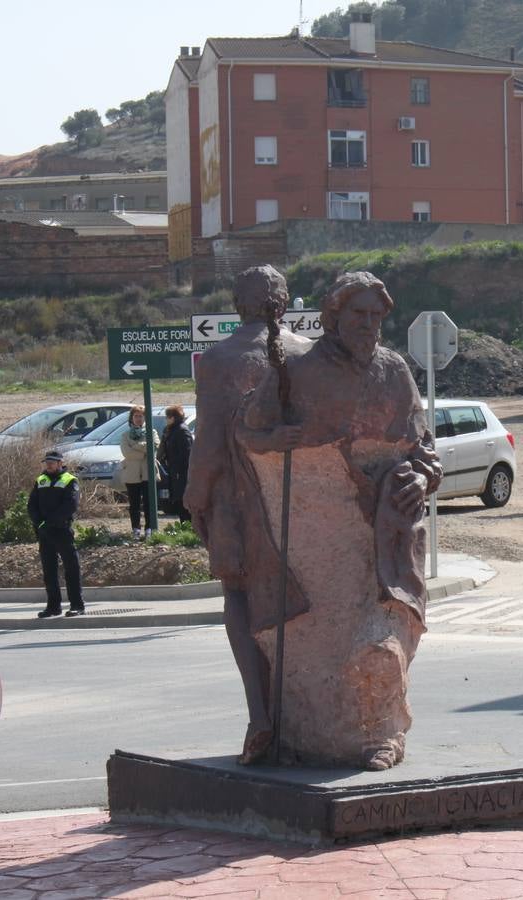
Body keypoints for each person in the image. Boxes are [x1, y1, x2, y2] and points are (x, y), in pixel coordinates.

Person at [238, 270, 442, 770]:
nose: (369, 324)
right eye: (358, 314)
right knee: (314, 648)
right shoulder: (298, 370)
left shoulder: (394, 372)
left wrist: (420, 477)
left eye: (376, 315)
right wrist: (275, 441)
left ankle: (383, 734)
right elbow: (250, 431)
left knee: (381, 637)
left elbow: (426, 452)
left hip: (386, 531)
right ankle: (305, 737)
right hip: (315, 533)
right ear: (334, 317)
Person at [186, 264, 311, 766]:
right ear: (283, 304)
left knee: (237, 596)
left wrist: (196, 497)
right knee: (297, 599)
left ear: (238, 305)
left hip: (236, 501)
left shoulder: (218, 359)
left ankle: (261, 713)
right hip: (295, 498)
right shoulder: (308, 355)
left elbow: (210, 440)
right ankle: (302, 716)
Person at [28, 450, 84, 618]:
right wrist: (39, 523)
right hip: (45, 532)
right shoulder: (41, 480)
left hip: (62, 530)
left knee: (71, 568)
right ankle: (53, 606)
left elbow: (70, 505)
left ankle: (77, 605)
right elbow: (32, 505)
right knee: (49, 570)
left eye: (53, 462)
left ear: (61, 463)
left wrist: (50, 521)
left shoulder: (69, 480)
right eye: (47, 462)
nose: (49, 465)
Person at [119, 405, 160, 539]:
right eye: (136, 416)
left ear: (145, 418)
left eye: (141, 416)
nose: (138, 418)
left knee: (149, 502)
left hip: (148, 472)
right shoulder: (125, 435)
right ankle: (135, 529)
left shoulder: (152, 432)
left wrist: (136, 446)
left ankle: (149, 529)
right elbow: (127, 453)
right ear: (131, 418)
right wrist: (143, 451)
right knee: (134, 503)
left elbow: (153, 447)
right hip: (132, 474)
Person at [157, 405, 194, 523]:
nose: (166, 420)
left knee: (183, 499)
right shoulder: (171, 430)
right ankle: (184, 525)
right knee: (178, 500)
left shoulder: (182, 431)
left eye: (167, 417)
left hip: (182, 473)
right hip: (174, 471)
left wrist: (178, 469)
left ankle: (187, 525)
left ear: (173, 418)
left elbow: (187, 453)